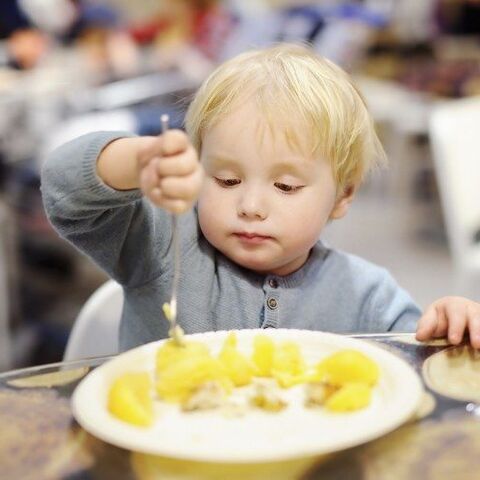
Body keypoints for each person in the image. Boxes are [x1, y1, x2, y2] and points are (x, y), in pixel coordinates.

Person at [41, 43, 480, 351]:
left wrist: (450, 326)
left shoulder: (369, 297)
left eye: (285, 186)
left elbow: (416, 368)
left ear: (343, 195)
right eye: (227, 180)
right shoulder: (160, 246)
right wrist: (136, 162)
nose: (251, 205)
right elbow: (66, 191)